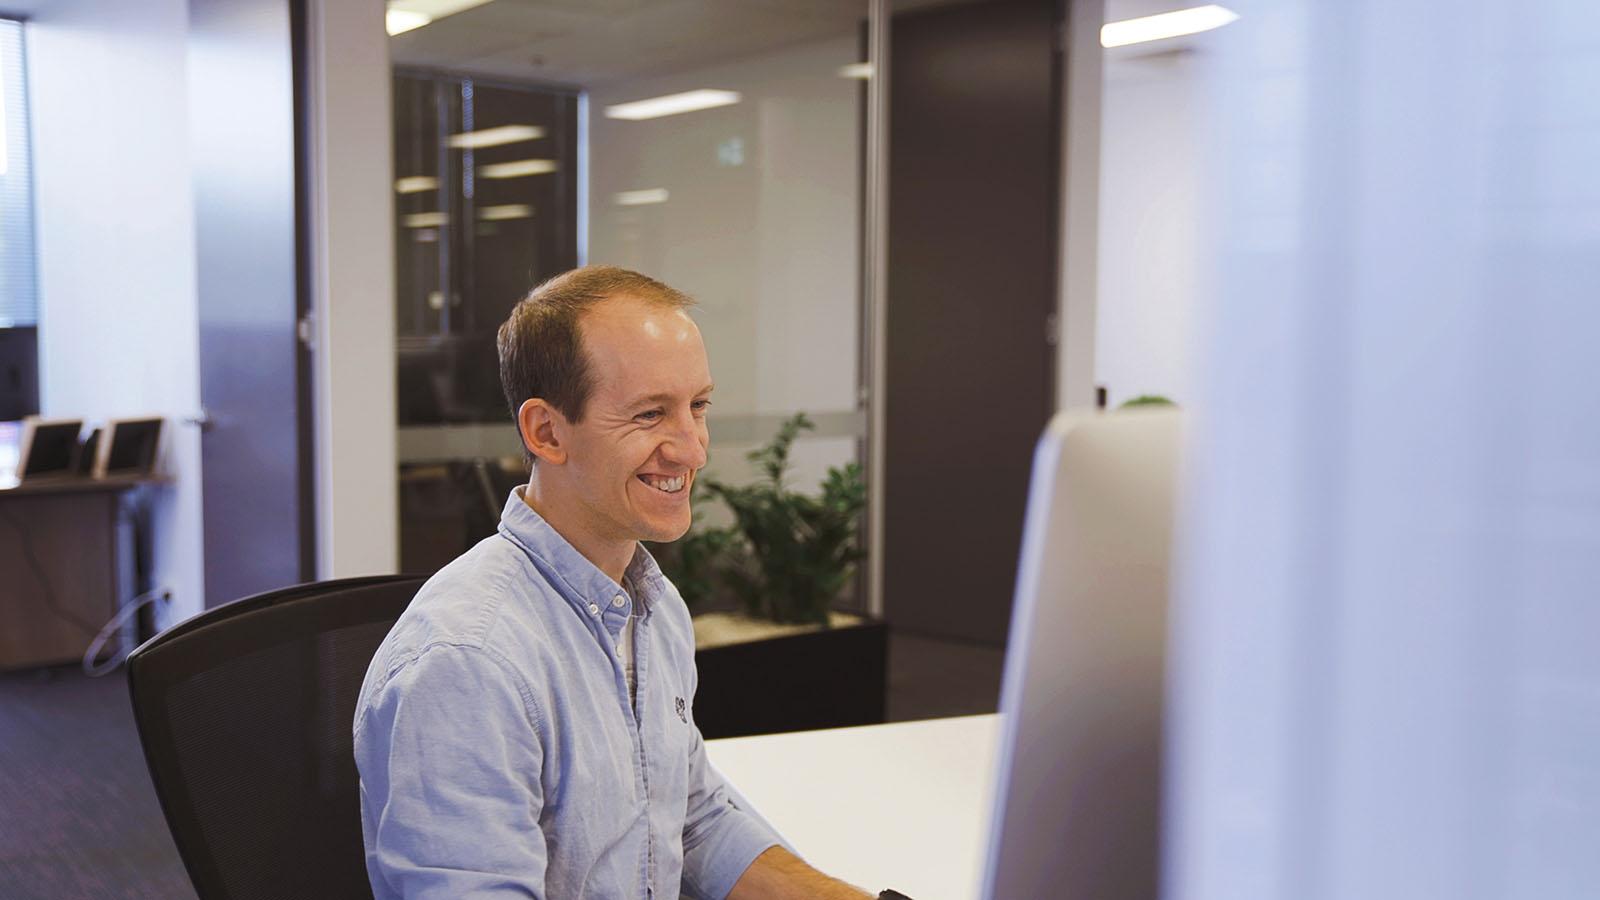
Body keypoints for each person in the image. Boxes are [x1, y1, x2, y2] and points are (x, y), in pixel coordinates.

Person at [354, 266, 874, 899]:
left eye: (698, 406)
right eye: (650, 415)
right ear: (547, 432)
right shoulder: (468, 662)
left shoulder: (651, 607)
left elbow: (693, 821)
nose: (693, 449)